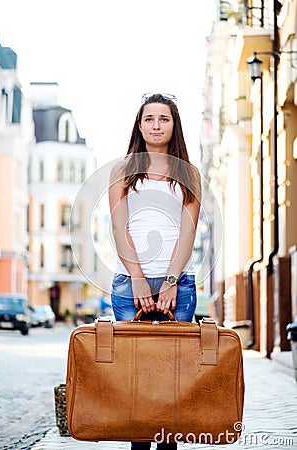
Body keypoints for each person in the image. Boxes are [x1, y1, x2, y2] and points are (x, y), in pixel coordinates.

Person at [109, 93, 201, 450]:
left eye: (164, 119)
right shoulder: (122, 171)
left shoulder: (188, 174)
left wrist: (170, 281)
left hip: (179, 284)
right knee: (136, 381)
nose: (156, 125)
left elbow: (187, 231)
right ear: (139, 125)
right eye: (150, 119)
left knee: (169, 381)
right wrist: (137, 278)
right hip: (127, 283)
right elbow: (120, 228)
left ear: (174, 125)